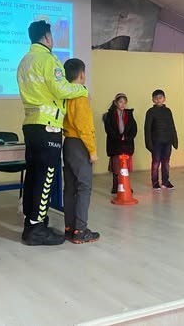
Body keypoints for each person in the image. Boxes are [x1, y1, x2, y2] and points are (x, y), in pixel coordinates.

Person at [17, 20, 88, 246]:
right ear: (47, 37)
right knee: (46, 176)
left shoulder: (24, 61)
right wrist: (82, 89)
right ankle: (37, 229)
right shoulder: (48, 60)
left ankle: (31, 223)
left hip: (31, 125)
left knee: (33, 175)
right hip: (48, 126)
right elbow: (61, 88)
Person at [62, 58, 100, 244]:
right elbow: (84, 126)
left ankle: (70, 227)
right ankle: (81, 230)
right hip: (79, 144)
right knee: (84, 187)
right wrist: (92, 151)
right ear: (82, 74)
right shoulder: (81, 95)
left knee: (69, 188)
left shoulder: (65, 94)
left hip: (68, 142)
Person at [103, 93, 137, 194]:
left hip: (127, 144)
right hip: (115, 144)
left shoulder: (129, 114)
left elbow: (134, 128)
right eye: (121, 102)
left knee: (125, 167)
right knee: (116, 167)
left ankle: (126, 185)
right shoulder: (110, 115)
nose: (123, 104)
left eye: (125, 103)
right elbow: (108, 129)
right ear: (115, 103)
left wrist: (126, 137)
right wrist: (118, 137)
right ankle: (115, 186)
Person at [144, 89, 178, 191]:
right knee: (156, 162)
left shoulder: (168, 111)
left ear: (164, 99)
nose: (158, 100)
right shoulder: (150, 112)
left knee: (166, 162)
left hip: (167, 141)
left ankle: (165, 182)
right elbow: (147, 129)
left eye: (160, 97)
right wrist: (149, 144)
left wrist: (174, 140)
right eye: (156, 98)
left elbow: (172, 126)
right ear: (153, 100)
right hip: (156, 142)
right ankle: (155, 182)